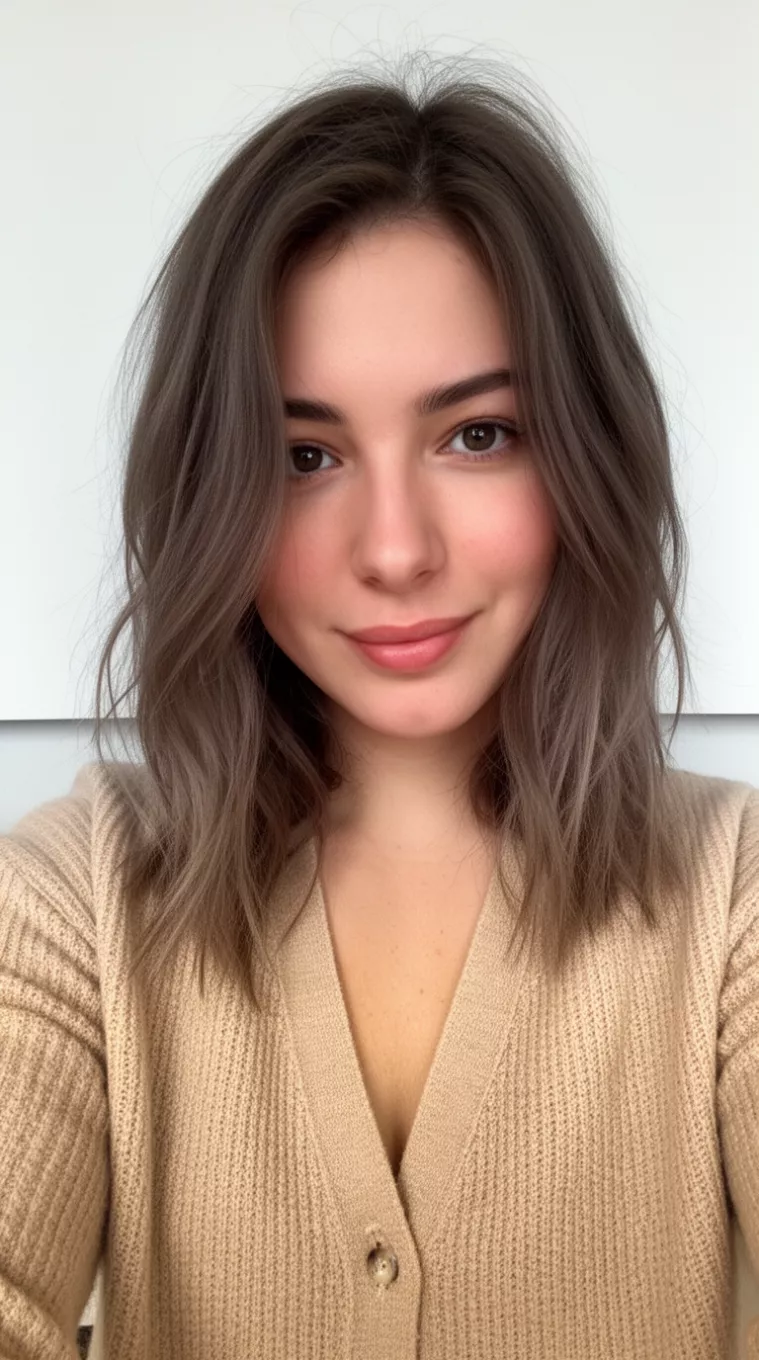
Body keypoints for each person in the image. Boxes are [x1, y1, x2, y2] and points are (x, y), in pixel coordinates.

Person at [1, 50, 757, 1360]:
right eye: (304, 457)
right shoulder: (74, 905)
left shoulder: (730, 901)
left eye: (476, 434)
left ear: (582, 449)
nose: (394, 549)